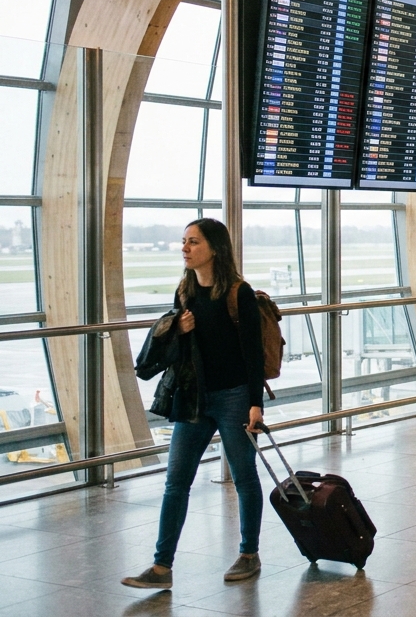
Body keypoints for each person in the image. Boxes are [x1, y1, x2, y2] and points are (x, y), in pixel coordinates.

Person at [122, 218, 266, 590]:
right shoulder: (185, 293)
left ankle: (249, 552)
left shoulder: (239, 293)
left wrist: (255, 405)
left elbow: (253, 355)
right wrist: (179, 332)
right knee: (176, 482)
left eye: (193, 242)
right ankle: (161, 566)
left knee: (245, 478)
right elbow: (179, 351)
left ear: (215, 249)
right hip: (194, 398)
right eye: (183, 242)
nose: (185, 248)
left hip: (234, 397)